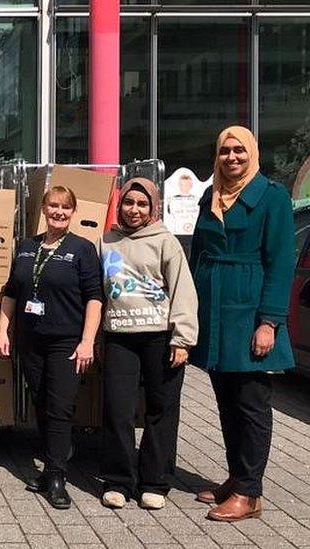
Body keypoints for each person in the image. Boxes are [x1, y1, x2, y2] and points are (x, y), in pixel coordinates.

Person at [190, 126, 295, 522]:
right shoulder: (210, 195)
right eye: (224, 151)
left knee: (251, 404)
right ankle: (236, 478)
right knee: (225, 401)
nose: (231, 157)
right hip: (214, 312)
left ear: (253, 153)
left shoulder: (272, 197)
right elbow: (199, 251)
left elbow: (281, 262)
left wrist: (269, 322)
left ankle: (250, 493)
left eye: (239, 150)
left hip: (248, 311)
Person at [0, 185, 104, 509]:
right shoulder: (27, 247)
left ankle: (56, 476)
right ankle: (48, 469)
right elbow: (12, 291)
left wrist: (87, 342)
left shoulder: (82, 249)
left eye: (65, 207)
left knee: (59, 407)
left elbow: (94, 298)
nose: (58, 212)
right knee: (41, 403)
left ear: (73, 212)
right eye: (53, 206)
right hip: (31, 340)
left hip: (66, 342)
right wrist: (3, 330)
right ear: (43, 209)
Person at [98, 177, 198, 510]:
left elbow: (183, 290)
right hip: (119, 338)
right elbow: (98, 294)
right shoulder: (107, 241)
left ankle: (154, 481)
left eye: (142, 204)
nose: (135, 210)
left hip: (160, 338)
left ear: (152, 207)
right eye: (129, 202)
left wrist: (183, 337)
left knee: (162, 410)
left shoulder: (165, 242)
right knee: (118, 410)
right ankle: (119, 480)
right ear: (121, 204)